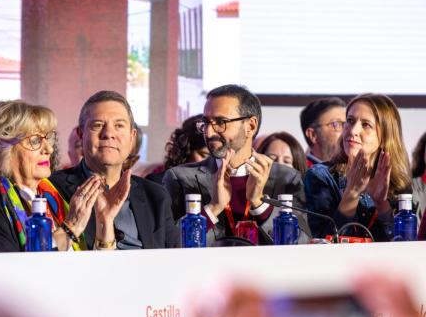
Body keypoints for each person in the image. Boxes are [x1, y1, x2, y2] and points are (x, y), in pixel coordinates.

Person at [162, 84, 309, 245]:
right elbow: (168, 244)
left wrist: (259, 204)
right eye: (205, 123)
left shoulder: (286, 178)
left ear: (250, 126)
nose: (209, 133)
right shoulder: (180, 178)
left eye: (220, 122)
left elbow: (302, 244)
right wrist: (213, 208)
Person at [49, 90, 179, 249]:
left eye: (119, 126)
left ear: (132, 137)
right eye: (98, 125)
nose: (109, 133)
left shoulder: (156, 196)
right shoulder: (52, 188)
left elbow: (176, 259)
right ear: (81, 134)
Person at [0, 100, 95, 252]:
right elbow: (11, 263)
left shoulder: (57, 189)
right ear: (5, 148)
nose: (49, 149)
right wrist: (69, 230)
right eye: (35, 141)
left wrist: (105, 223)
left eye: (48, 139)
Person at [305, 94, 412, 241]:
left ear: (386, 135)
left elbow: (404, 247)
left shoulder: (400, 185)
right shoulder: (321, 176)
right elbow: (322, 244)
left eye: (366, 125)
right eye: (350, 121)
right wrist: (351, 195)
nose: (353, 130)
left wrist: (382, 205)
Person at [146, 114, 209, 184]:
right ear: (186, 151)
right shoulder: (156, 184)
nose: (211, 162)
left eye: (217, 158)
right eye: (204, 156)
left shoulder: (218, 187)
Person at [300, 97, 346, 167]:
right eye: (336, 124)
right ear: (313, 135)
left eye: (347, 123)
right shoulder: (301, 175)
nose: (347, 131)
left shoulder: (355, 170)